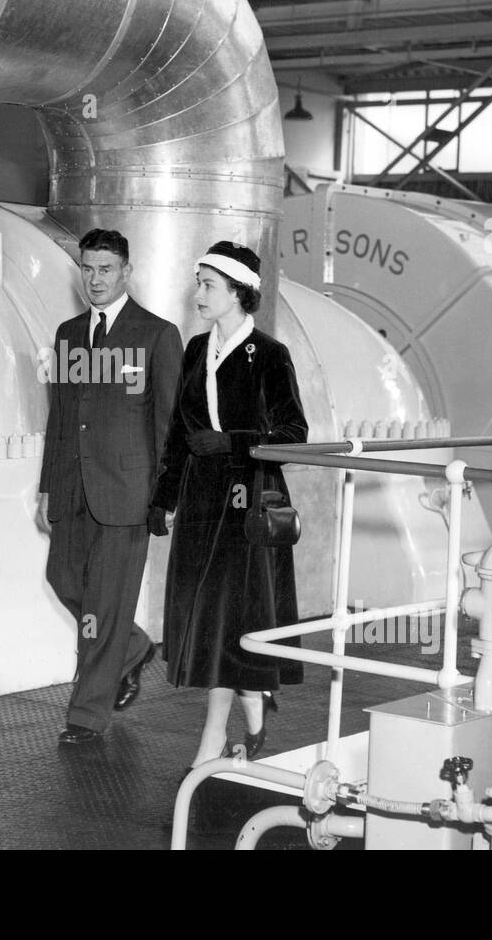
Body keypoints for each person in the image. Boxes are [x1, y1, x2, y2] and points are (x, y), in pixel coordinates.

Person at [149, 240, 307, 769]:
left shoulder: (270, 354)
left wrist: (233, 441)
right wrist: (164, 497)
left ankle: (218, 733)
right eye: (199, 282)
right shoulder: (196, 349)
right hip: (200, 500)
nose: (199, 293)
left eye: (209, 284)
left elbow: (293, 434)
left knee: (231, 617)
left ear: (239, 293)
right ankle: (248, 709)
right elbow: (178, 431)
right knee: (210, 620)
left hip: (248, 501)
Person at [37, 228, 184, 746]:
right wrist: (47, 488)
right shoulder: (68, 333)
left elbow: (169, 423)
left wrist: (166, 496)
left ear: (126, 273)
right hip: (73, 488)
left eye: (105, 270)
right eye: (87, 269)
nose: (94, 279)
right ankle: (132, 648)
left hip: (129, 491)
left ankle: (86, 715)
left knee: (104, 603)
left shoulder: (157, 335)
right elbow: (60, 417)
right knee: (63, 579)